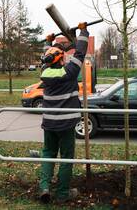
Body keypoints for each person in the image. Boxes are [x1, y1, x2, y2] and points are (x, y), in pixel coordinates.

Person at [39, 22, 89, 203]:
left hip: (49, 123)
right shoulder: (69, 71)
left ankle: (44, 187)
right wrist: (83, 31)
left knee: (48, 153)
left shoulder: (44, 72)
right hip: (66, 124)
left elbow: (46, 57)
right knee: (66, 158)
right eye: (63, 57)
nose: (66, 59)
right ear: (61, 59)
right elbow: (80, 52)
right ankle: (62, 194)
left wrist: (48, 42)